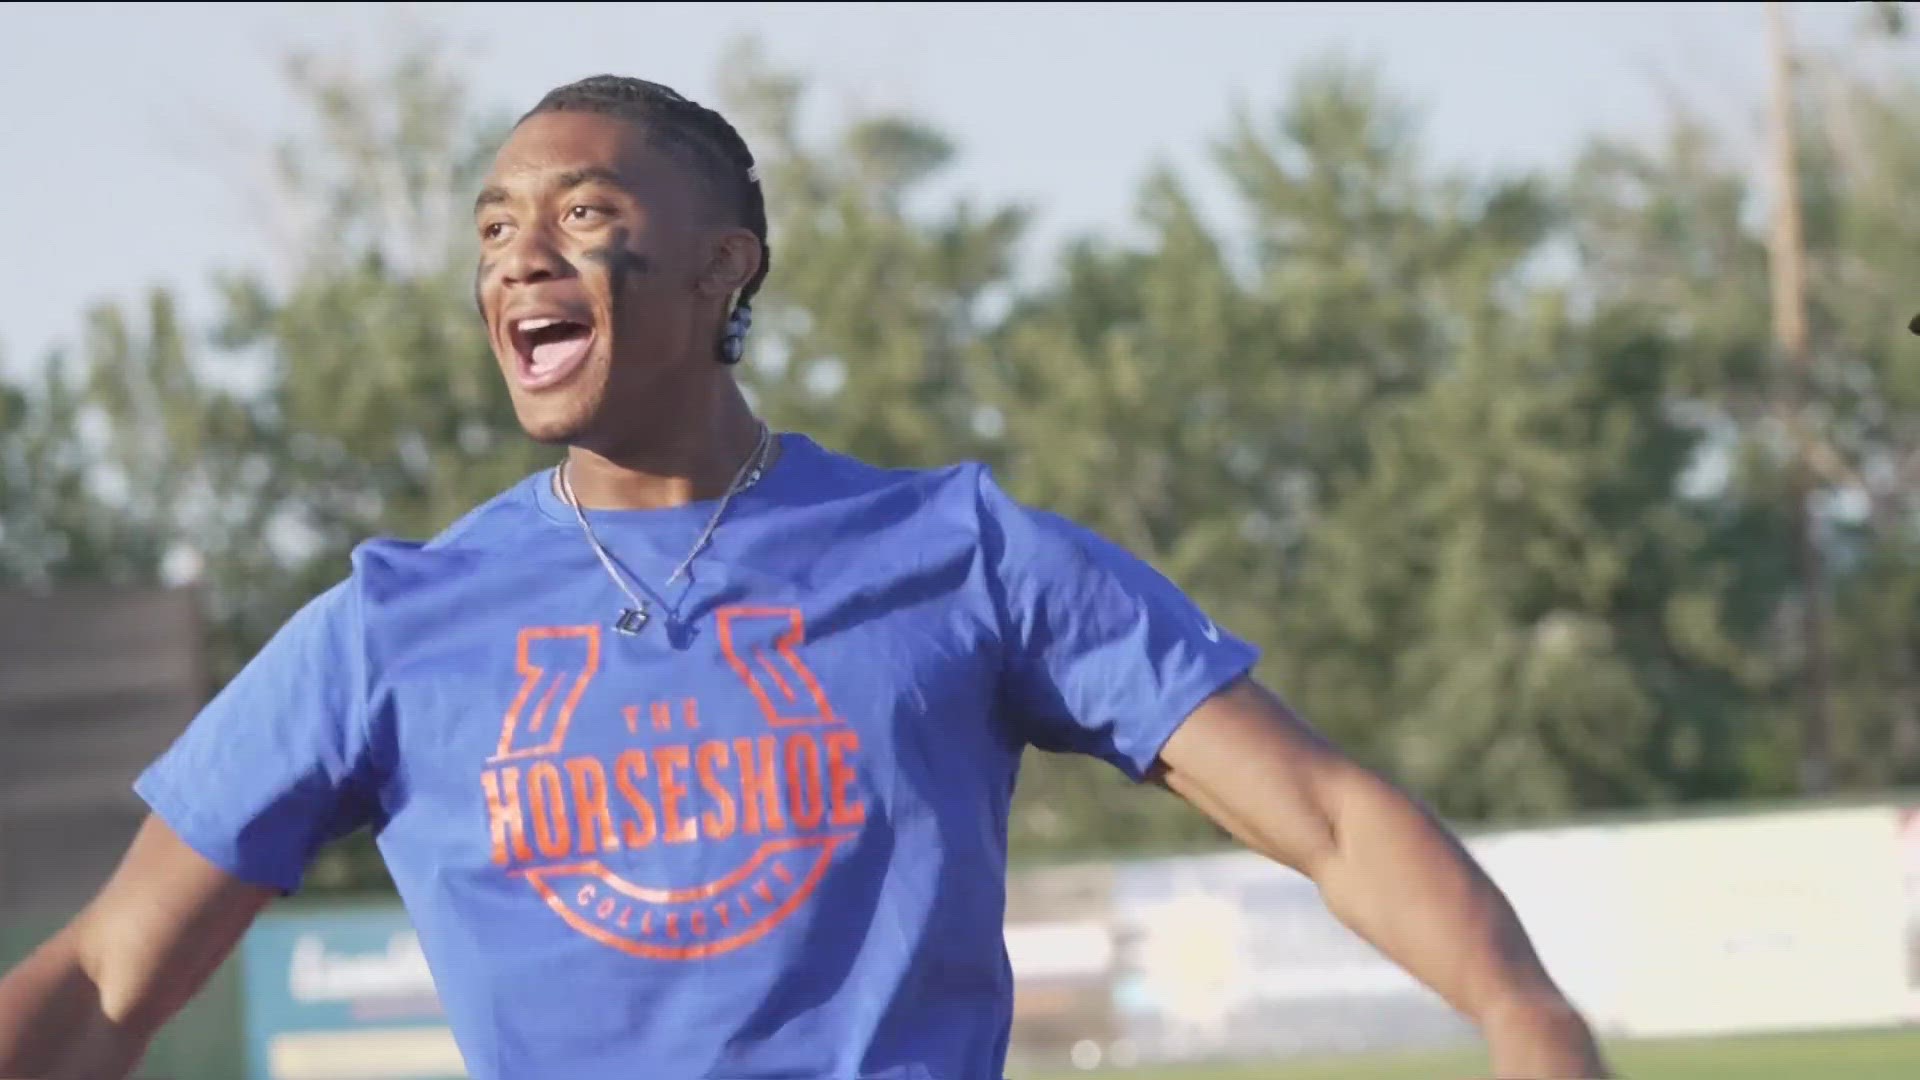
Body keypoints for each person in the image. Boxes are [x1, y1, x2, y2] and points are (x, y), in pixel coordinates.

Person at [0, 75, 1610, 1080]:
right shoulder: (389, 626)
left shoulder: (958, 555)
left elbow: (1320, 813)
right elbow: (106, 974)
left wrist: (1523, 1013)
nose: (517, 259)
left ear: (723, 263)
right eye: (493, 232)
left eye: (582, 214)